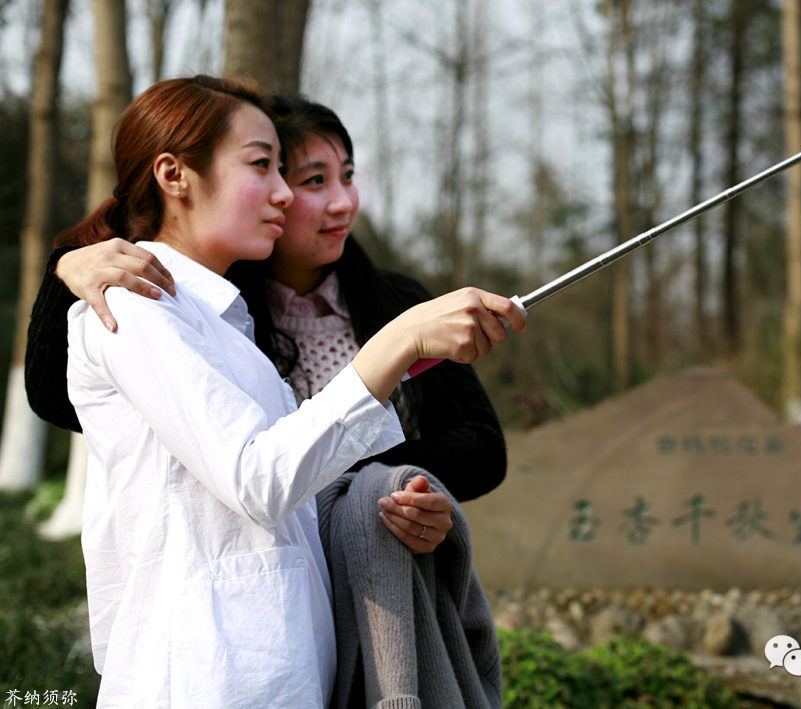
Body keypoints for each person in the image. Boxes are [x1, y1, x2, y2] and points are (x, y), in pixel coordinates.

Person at [53, 75, 525, 707]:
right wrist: (398, 344)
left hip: (277, 676)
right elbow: (257, 480)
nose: (283, 192)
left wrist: (392, 503)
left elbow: (294, 497)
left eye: (286, 170)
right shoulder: (134, 308)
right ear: (173, 175)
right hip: (200, 678)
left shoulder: (226, 324)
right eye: (263, 166)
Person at [26, 100, 512, 553]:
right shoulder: (214, 310)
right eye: (314, 180)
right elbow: (71, 401)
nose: (343, 202)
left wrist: (395, 490)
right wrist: (67, 270)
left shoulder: (398, 302)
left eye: (347, 176)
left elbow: (481, 447)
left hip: (378, 565)